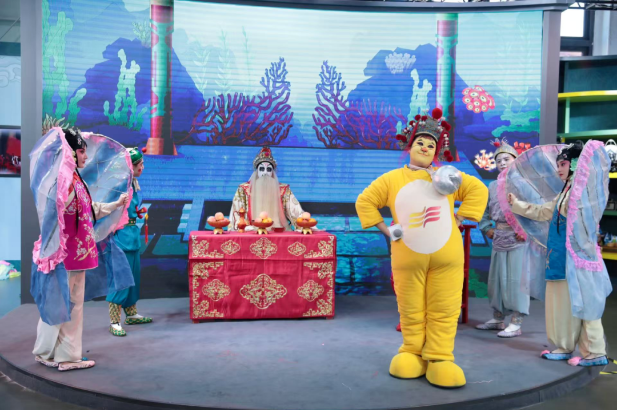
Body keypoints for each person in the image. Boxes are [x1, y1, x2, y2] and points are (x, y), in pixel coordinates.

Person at [356, 108, 488, 388]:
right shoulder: (392, 179)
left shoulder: (446, 176)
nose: (426, 148)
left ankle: (440, 356)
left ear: (437, 151)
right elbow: (365, 201)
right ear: (410, 145)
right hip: (408, 257)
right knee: (411, 308)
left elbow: (478, 190)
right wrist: (386, 230)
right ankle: (412, 352)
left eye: (431, 145)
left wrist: (460, 218)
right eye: (420, 142)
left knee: (445, 307)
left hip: (446, 257)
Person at [31, 127, 131, 371]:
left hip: (78, 255)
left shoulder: (77, 181)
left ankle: (59, 354)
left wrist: (115, 204)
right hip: (65, 256)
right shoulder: (63, 183)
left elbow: (89, 211)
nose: (86, 156)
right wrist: (50, 252)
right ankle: (56, 354)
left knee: (70, 305)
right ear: (71, 153)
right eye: (82, 151)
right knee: (62, 304)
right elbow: (52, 218)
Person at [508, 141, 611, 366]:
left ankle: (595, 352)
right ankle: (563, 346)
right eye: (558, 165)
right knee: (562, 305)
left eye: (563, 164)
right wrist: (517, 205)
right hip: (559, 256)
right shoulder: (566, 191)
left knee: (586, 304)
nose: (558, 169)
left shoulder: (583, 190)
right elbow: (545, 211)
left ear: (575, 164)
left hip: (579, 258)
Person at [476, 140, 529, 337]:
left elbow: (533, 211)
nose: (502, 163)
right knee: (496, 280)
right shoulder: (491, 186)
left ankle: (516, 321)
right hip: (498, 236)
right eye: (499, 161)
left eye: (507, 159)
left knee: (516, 280)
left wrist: (524, 230)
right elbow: (484, 212)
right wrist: (486, 228)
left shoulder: (524, 184)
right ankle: (498, 318)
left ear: (516, 160)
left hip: (518, 238)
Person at [107, 148, 152, 337]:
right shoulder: (119, 186)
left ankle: (131, 313)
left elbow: (130, 208)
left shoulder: (132, 183)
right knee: (121, 278)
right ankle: (114, 321)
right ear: (130, 166)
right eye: (140, 164)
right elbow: (110, 210)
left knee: (133, 277)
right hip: (121, 236)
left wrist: (136, 213)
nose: (143, 167)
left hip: (132, 234)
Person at [229, 146, 305, 231]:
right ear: (257, 171)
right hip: (251, 232)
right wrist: (243, 226)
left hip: (277, 232)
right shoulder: (244, 189)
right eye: (262, 169)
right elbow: (237, 214)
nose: (265, 172)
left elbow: (296, 212)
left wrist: (305, 224)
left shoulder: (283, 190)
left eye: (268, 169)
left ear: (272, 172)